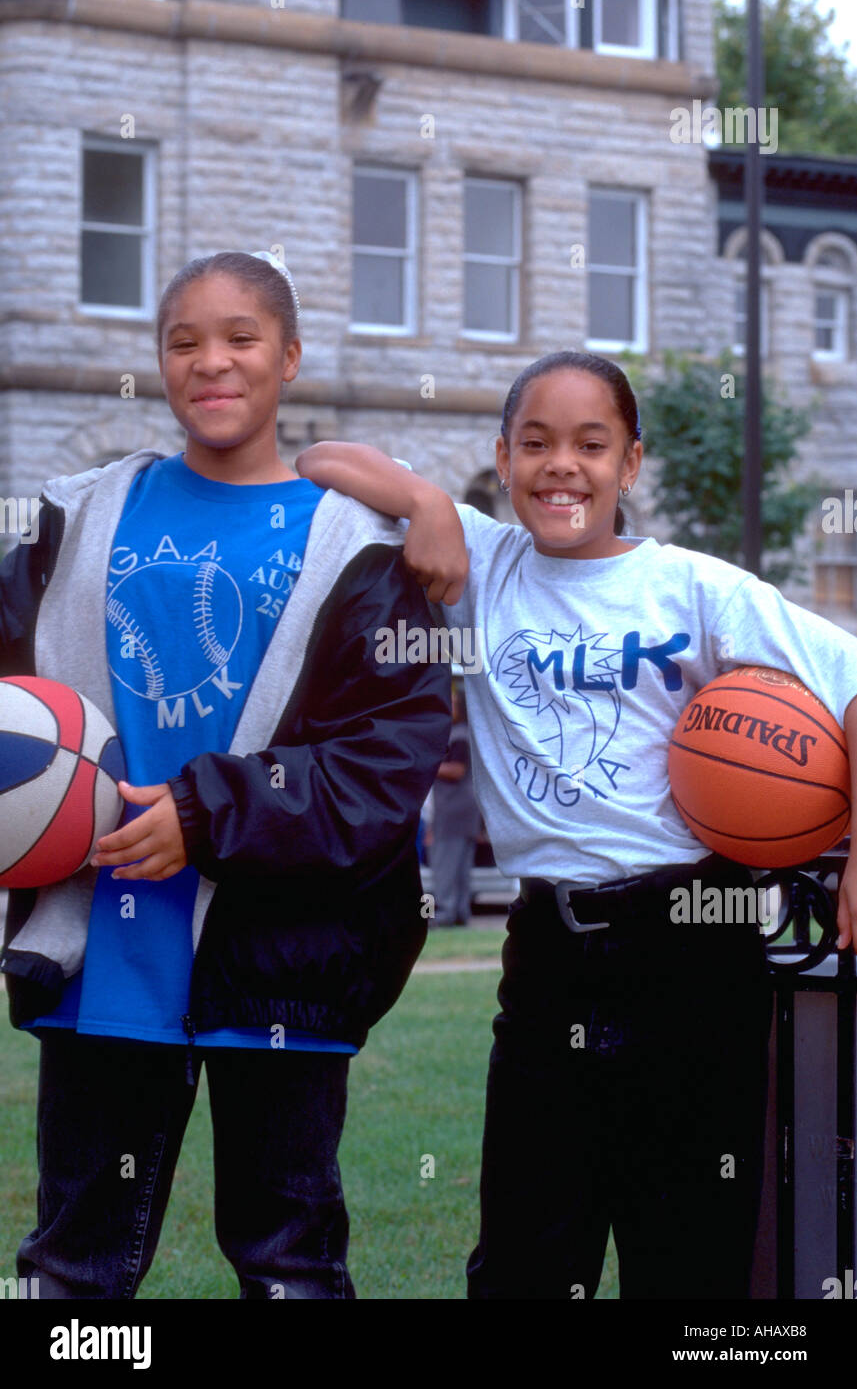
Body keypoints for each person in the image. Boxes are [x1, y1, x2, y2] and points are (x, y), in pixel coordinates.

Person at [294, 349, 857, 1299]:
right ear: (504, 458)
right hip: (549, 949)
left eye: (590, 445)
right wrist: (429, 505)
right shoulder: (482, 559)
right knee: (525, 1255)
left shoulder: (694, 589)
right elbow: (322, 459)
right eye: (536, 444)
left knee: (688, 1259)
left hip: (693, 941)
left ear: (629, 464)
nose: (562, 465)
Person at [0, 250, 450, 1299]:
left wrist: (206, 815)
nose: (212, 361)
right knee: (69, 1272)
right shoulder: (73, 521)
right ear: (160, 362)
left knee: (288, 1264)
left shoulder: (365, 551)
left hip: (279, 958)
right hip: (102, 951)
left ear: (288, 356)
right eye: (183, 341)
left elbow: (382, 768)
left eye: (241, 337)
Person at [430, 683, 480, 927]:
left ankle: (444, 912)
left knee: (444, 861)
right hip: (467, 809)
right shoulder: (467, 733)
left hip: (453, 808)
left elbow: (457, 770)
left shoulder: (457, 736)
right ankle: (460, 912)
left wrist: (426, 765)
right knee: (461, 865)